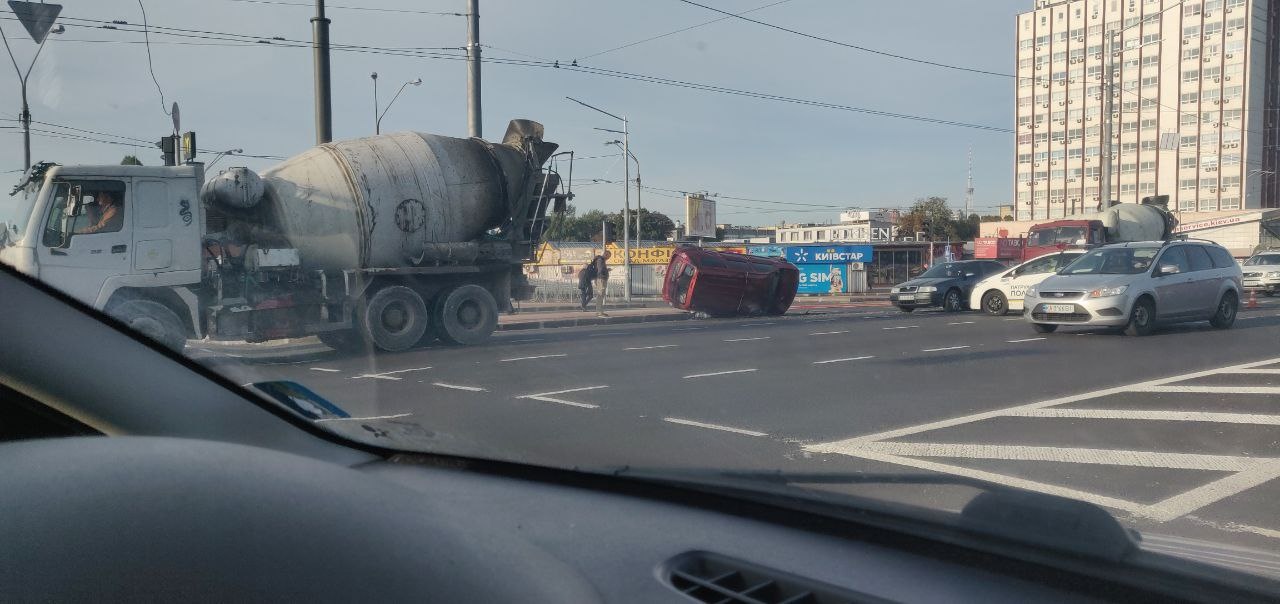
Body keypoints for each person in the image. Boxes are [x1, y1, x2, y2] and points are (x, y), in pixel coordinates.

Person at [593, 250, 612, 317]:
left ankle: (599, 311)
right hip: (601, 279)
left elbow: (600, 269)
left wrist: (606, 270)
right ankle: (599, 312)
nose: (608, 258)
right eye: (608, 256)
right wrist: (604, 273)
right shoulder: (600, 260)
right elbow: (600, 270)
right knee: (600, 295)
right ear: (605, 254)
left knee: (600, 295)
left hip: (600, 279)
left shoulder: (600, 260)